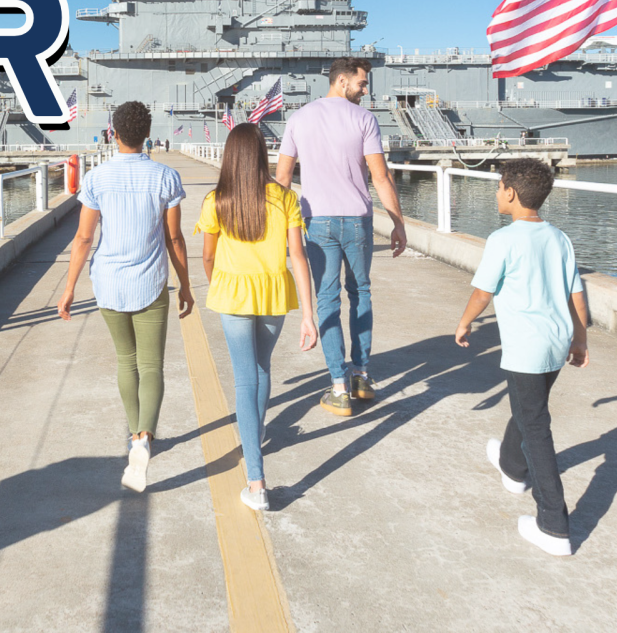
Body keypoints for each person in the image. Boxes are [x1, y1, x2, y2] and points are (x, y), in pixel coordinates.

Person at [453, 158, 590, 557]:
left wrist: (464, 323)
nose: (497, 193)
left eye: (498, 187)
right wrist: (580, 339)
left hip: (525, 346)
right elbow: (576, 293)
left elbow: (483, 292)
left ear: (510, 193)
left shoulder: (503, 240)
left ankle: (554, 524)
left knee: (537, 427)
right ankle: (512, 468)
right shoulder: (559, 238)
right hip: (556, 340)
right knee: (529, 408)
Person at [58, 100, 193, 492]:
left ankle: (135, 435)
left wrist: (68, 289)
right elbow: (175, 238)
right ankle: (145, 439)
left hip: (109, 284)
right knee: (152, 366)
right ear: (147, 133)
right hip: (150, 283)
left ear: (113, 133)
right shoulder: (166, 177)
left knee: (126, 361)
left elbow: (84, 237)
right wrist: (185, 284)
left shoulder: (97, 179)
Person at [275, 56, 408, 418]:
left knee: (327, 301)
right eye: (362, 83)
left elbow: (283, 178)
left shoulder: (299, 118)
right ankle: (362, 376)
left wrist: (275, 227)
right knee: (361, 293)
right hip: (357, 220)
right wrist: (398, 223)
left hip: (316, 221)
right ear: (343, 81)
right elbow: (380, 177)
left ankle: (338, 387)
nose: (365, 90)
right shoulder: (364, 119)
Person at [198, 122, 318, 512]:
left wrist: (217, 283)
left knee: (243, 379)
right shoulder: (285, 198)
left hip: (233, 294)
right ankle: (257, 431)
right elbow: (297, 257)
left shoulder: (217, 200)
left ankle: (256, 480)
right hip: (272, 293)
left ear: (230, 156)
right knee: (262, 369)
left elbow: (208, 256)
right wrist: (308, 315)